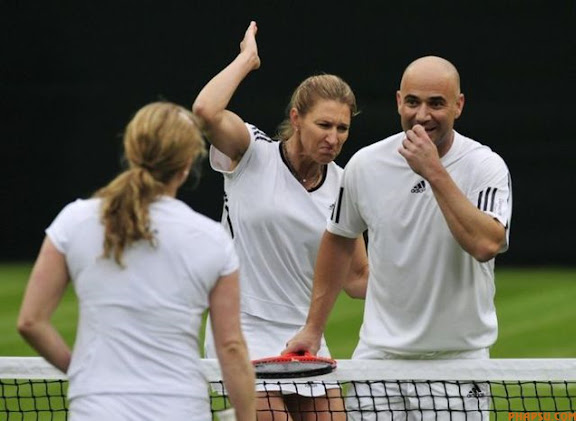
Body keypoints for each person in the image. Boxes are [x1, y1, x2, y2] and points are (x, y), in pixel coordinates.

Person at [284, 56, 513, 421]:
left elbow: (486, 244)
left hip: (455, 364)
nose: (423, 114)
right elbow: (339, 239)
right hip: (378, 362)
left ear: (459, 105)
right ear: (398, 102)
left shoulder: (485, 167)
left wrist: (433, 171)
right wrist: (313, 329)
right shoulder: (365, 165)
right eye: (413, 102)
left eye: (436, 103)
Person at [17, 102, 256, 421]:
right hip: (180, 409)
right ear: (187, 164)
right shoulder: (211, 239)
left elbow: (31, 322)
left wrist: (81, 371)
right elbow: (230, 347)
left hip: (96, 409)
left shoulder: (73, 221)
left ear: (131, 150)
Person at [192, 21, 368, 421]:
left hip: (307, 336)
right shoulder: (251, 152)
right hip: (244, 329)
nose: (334, 138)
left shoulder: (346, 184)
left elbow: (357, 278)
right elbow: (204, 111)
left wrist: (424, 276)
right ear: (296, 118)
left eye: (343, 128)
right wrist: (245, 61)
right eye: (324, 125)